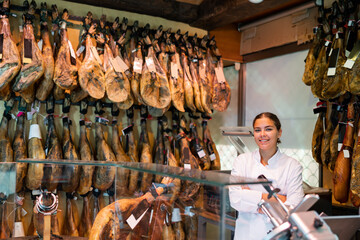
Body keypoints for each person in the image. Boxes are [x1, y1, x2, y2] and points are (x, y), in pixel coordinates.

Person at [229, 112, 304, 240]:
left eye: (268, 129)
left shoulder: (292, 165)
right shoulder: (242, 161)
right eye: (258, 130)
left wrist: (250, 197)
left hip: (277, 235)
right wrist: (280, 199)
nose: (262, 134)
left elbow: (294, 206)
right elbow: (235, 198)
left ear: (279, 132)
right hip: (246, 235)